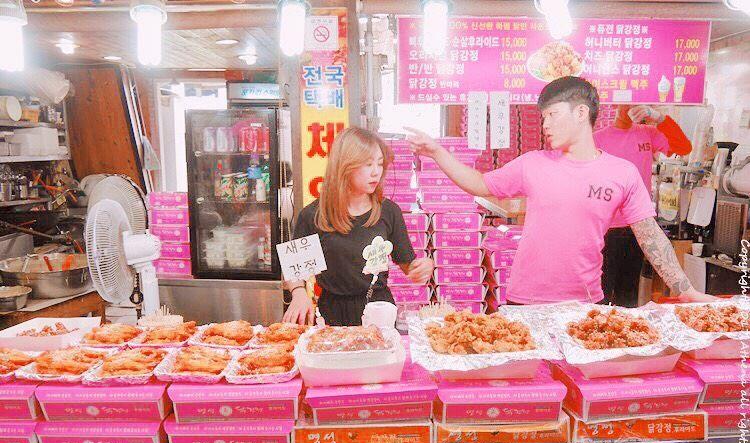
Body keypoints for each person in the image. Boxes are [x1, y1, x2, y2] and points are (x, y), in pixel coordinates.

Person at [406, 76, 714, 305]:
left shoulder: (622, 173)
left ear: (580, 113)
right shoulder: (532, 164)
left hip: (585, 303)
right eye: (543, 118)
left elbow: (650, 236)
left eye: (552, 115)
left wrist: (685, 290)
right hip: (525, 302)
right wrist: (437, 152)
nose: (545, 125)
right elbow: (479, 183)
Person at [283, 127, 434, 326]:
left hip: (379, 309)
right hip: (332, 313)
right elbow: (295, 270)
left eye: (380, 163)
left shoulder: (389, 211)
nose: (376, 172)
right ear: (344, 166)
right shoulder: (313, 215)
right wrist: (298, 293)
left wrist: (423, 266)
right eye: (368, 164)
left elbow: (408, 265)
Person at [595, 105, 693, 306]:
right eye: (627, 103)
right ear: (617, 103)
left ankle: (628, 326)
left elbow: (684, 148)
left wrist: (659, 118)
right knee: (600, 291)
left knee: (629, 291)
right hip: (605, 227)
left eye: (637, 102)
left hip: (639, 225)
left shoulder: (648, 133)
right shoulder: (597, 138)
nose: (632, 107)